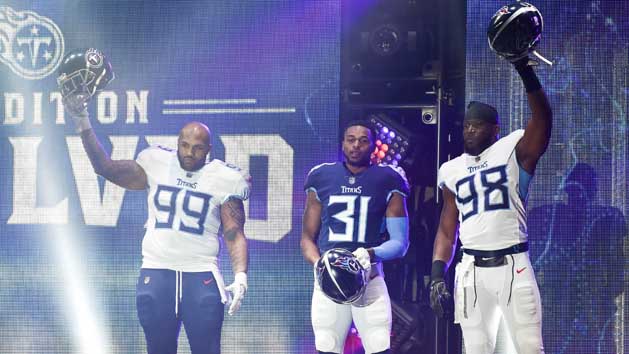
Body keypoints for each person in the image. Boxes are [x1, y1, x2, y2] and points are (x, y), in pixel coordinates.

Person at [63, 100, 251, 354]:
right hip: (157, 270)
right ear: (177, 143)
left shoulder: (224, 178)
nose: (189, 152)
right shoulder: (156, 162)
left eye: (197, 148)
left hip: (200, 272)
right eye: (184, 145)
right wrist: (81, 120)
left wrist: (240, 275)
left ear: (208, 149)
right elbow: (104, 167)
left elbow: (233, 232)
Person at [428, 55, 553, 354]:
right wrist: (436, 276)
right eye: (466, 126)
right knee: (476, 349)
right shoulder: (451, 169)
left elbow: (543, 120)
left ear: (494, 129)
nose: (469, 130)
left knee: (530, 348)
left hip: (513, 264)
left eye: (478, 126)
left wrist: (525, 70)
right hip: (471, 269)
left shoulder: (513, 149)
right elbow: (447, 230)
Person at [300, 120, 410, 354]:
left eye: (363, 140)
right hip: (328, 282)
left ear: (373, 145)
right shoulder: (321, 176)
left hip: (368, 276)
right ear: (342, 143)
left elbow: (400, 243)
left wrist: (370, 254)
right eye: (351, 139)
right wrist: (321, 264)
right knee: (327, 347)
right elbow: (307, 238)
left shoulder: (388, 178)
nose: (356, 145)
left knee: (379, 348)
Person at [528, 163, 626, 353]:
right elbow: (618, 277)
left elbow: (618, 275)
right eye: (575, 193)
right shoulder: (550, 218)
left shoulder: (606, 220)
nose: (579, 200)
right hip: (567, 312)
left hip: (583, 313)